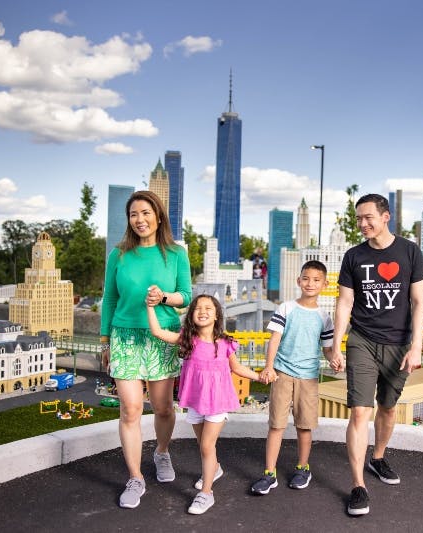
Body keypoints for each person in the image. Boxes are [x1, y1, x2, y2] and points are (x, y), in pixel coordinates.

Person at [331, 193, 423, 517]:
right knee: (360, 412)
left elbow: (417, 303)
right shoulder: (353, 256)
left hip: (399, 345)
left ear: (386, 216)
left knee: (387, 407)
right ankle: (358, 486)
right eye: (358, 218)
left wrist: (416, 347)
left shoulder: (410, 251)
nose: (362, 224)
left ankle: (378, 457)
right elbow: (344, 303)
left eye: (368, 217)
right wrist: (337, 344)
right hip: (363, 340)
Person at [100, 190, 193, 509]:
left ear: (159, 216)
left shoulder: (176, 253)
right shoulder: (119, 254)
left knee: (164, 408)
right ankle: (135, 477)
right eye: (133, 214)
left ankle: (162, 452)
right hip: (124, 337)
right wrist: (105, 340)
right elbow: (109, 299)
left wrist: (164, 297)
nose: (139, 220)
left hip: (162, 336)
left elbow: (187, 296)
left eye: (145, 213)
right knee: (130, 409)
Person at [146, 293, 261, 514]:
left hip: (218, 402)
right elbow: (157, 332)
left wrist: (259, 377)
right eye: (197, 308)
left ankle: (206, 493)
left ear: (217, 315)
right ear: (191, 316)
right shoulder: (188, 339)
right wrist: (151, 306)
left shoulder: (226, 343)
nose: (202, 311)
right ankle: (215, 469)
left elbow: (237, 368)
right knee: (203, 446)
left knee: (207, 446)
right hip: (197, 402)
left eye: (208, 308)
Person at [250, 260, 336, 495]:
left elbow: (327, 349)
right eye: (306, 278)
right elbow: (274, 339)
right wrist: (269, 367)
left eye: (317, 280)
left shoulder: (324, 317)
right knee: (276, 424)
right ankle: (269, 473)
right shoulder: (286, 308)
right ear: (299, 281)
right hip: (282, 373)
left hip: (308, 378)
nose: (310, 283)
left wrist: (334, 359)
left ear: (325, 284)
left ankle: (303, 468)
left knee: (304, 426)